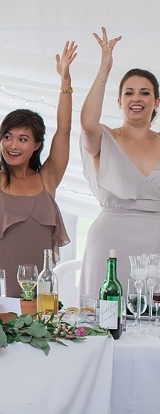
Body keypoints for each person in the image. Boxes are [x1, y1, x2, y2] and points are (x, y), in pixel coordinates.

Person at [0, 39, 74, 298]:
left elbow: (65, 129)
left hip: (38, 296)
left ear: (37, 145)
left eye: (23, 139)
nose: (12, 145)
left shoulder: (48, 178)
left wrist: (65, 81)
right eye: (7, 136)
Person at [79, 28, 160, 296]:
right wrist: (105, 68)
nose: (136, 98)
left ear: (156, 102)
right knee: (103, 321)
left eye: (145, 93)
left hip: (154, 247)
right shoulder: (105, 139)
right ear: (119, 101)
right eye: (129, 93)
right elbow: (87, 123)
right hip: (109, 243)